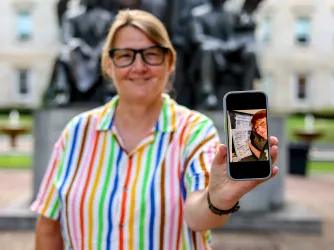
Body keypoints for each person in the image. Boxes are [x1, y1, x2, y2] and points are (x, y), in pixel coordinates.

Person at [31, 9, 279, 250]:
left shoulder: (195, 131)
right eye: (125, 55)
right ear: (108, 64)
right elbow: (48, 226)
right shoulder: (77, 133)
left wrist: (218, 200)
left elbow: (197, 216)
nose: (139, 66)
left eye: (151, 54)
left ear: (169, 62)